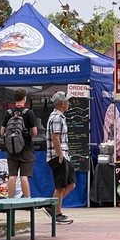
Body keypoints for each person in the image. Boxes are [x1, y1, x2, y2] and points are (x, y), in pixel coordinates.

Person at [0, 88, 38, 198]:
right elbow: (35, 132)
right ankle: (28, 200)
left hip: (11, 150)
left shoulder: (9, 113)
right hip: (26, 149)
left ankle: (10, 201)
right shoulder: (29, 113)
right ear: (24, 98)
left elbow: (2, 132)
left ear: (14, 99)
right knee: (24, 176)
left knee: (12, 176)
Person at [46, 91, 76, 224]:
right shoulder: (57, 117)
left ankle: (52, 206)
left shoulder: (60, 116)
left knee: (71, 183)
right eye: (67, 102)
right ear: (63, 103)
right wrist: (59, 155)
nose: (69, 104)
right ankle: (56, 213)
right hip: (58, 155)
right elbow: (55, 137)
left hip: (64, 155)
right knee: (60, 186)